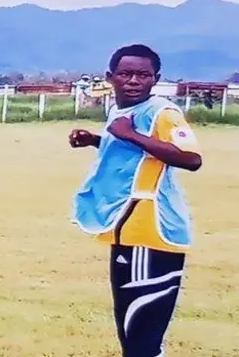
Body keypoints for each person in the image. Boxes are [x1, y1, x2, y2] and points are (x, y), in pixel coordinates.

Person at [69, 44, 202, 357]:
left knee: (142, 339)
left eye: (142, 75)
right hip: (127, 228)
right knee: (132, 335)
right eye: (125, 74)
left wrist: (131, 135)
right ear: (110, 77)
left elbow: (191, 159)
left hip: (151, 232)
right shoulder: (121, 111)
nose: (133, 81)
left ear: (155, 79)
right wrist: (96, 140)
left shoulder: (163, 113)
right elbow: (133, 156)